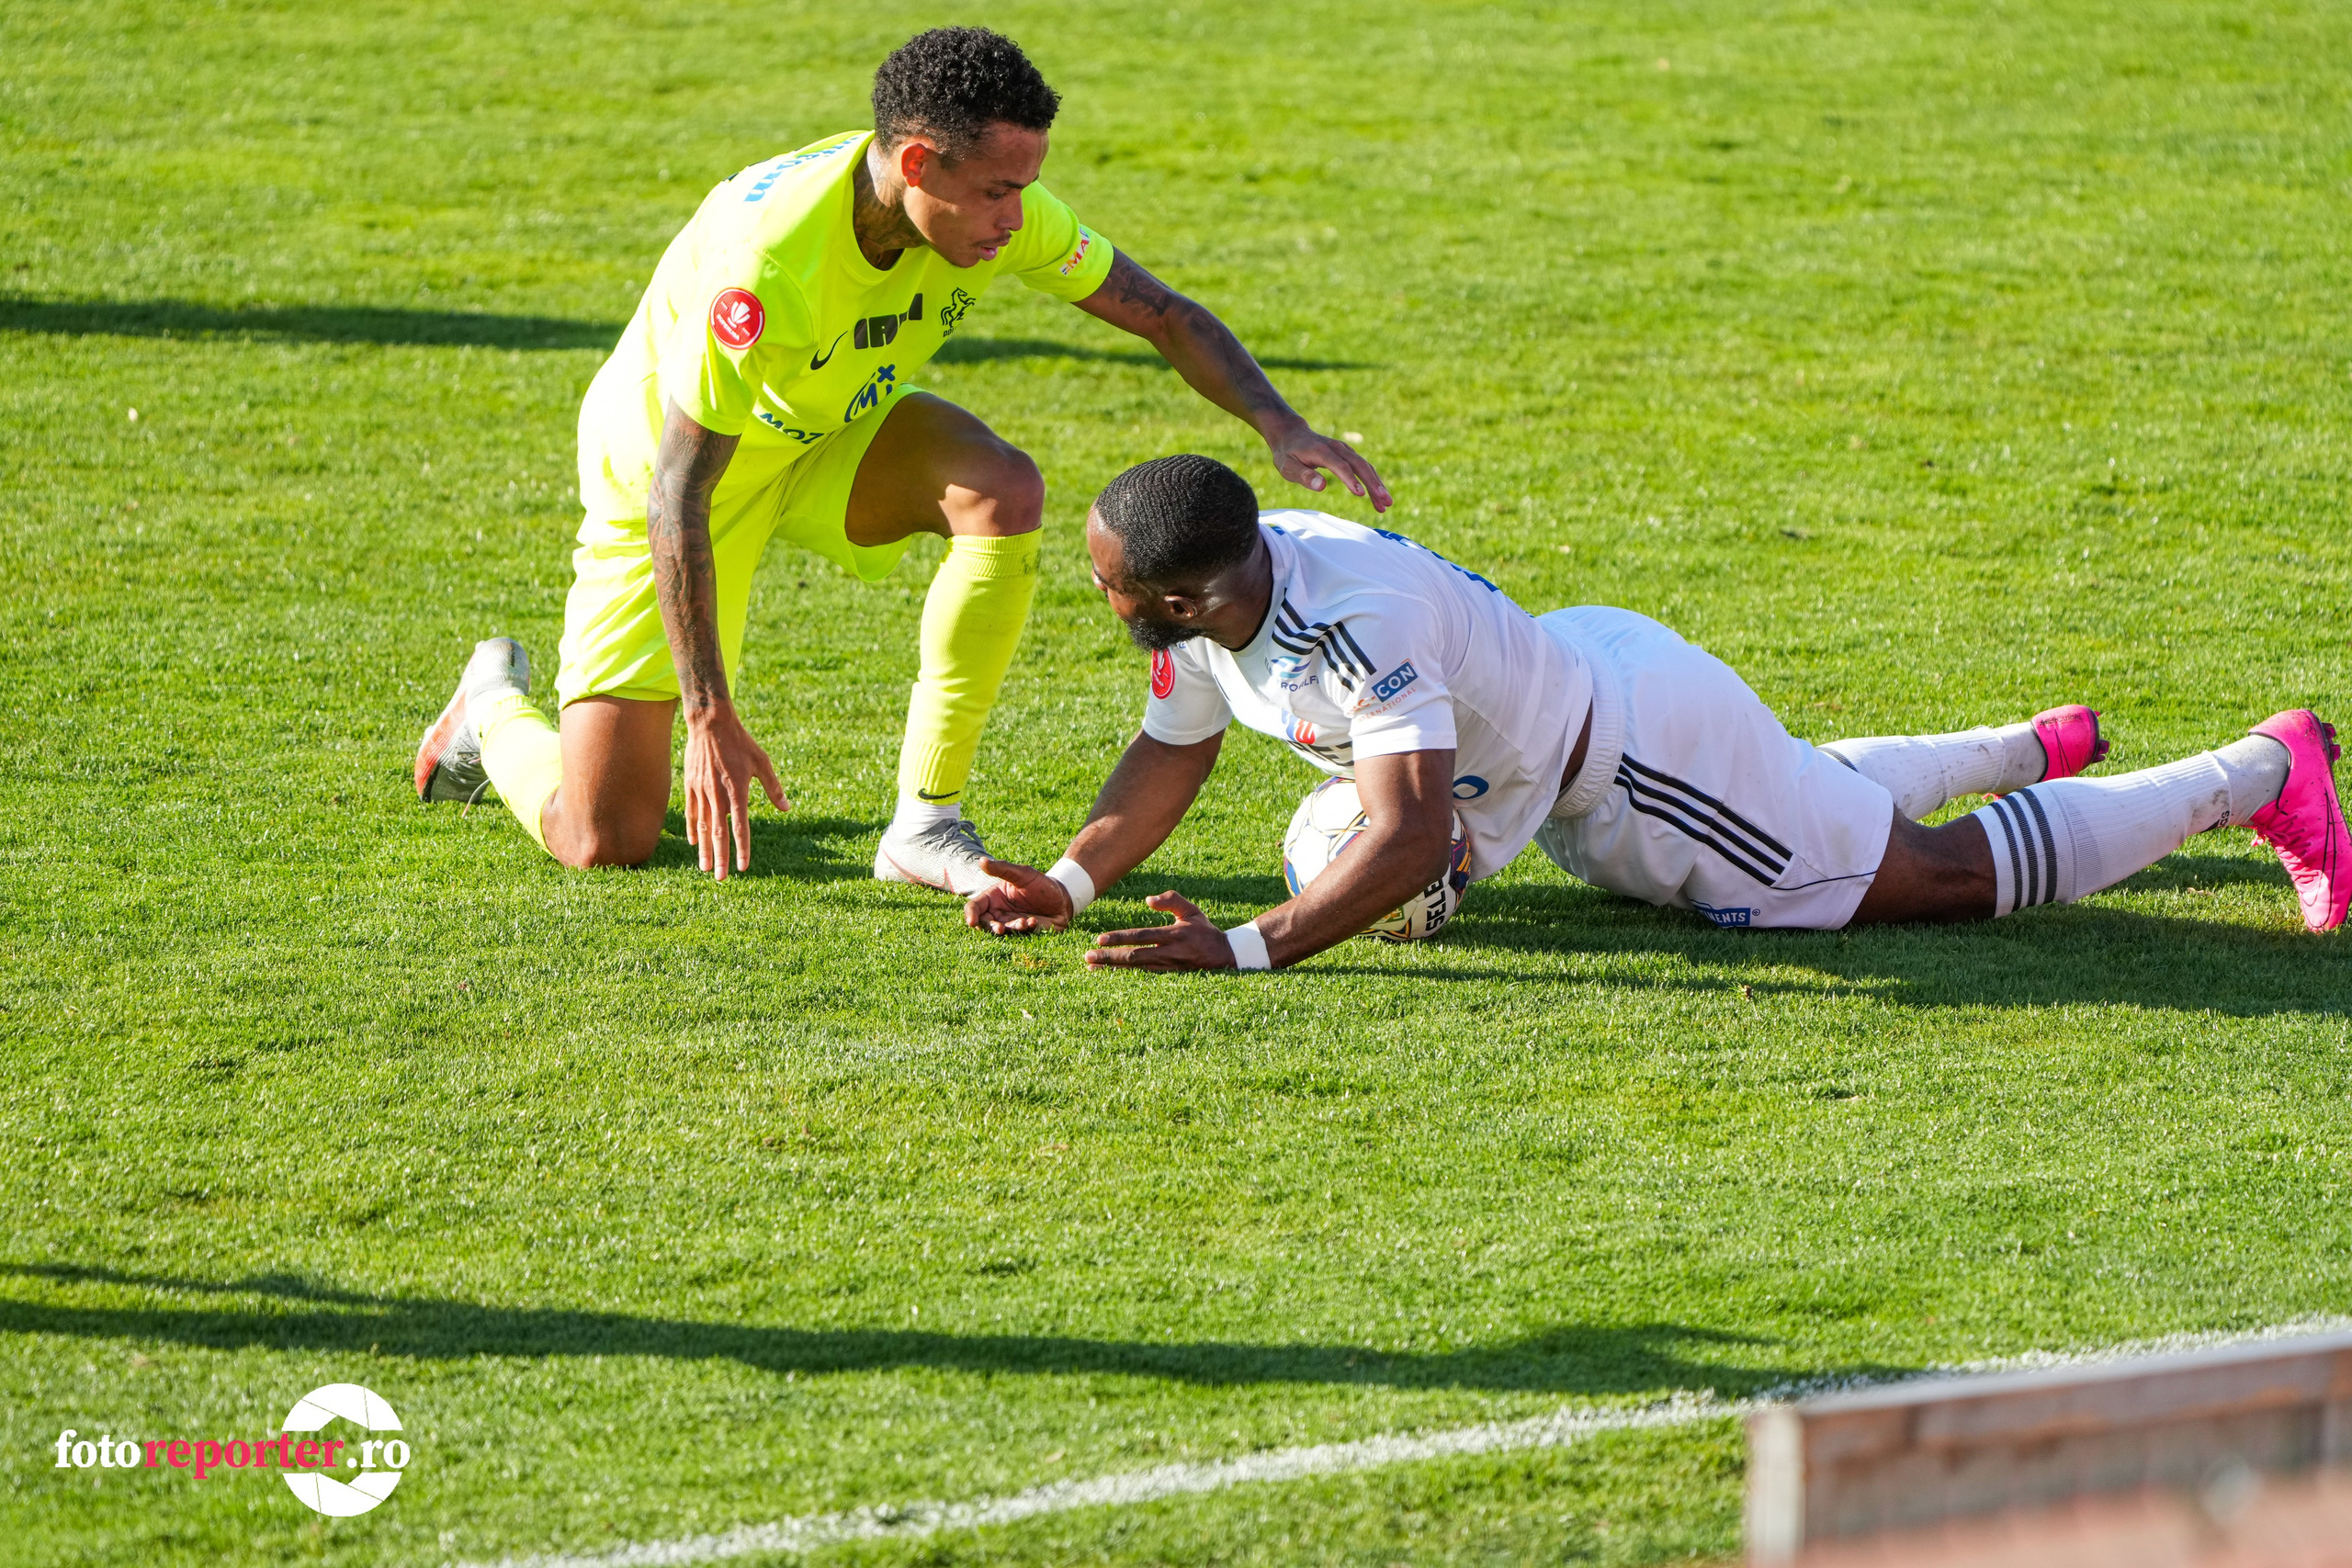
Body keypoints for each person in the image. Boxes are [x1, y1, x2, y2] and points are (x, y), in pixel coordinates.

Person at [414, 28, 1387, 888]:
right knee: (604, 839)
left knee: (1002, 489)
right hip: (674, 480)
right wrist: (709, 714)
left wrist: (1280, 424)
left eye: (1028, 187)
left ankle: (925, 823)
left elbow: (1164, 314)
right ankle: (490, 710)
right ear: (917, 163)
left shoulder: (997, 213)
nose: (1018, 218)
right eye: (1000, 191)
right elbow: (680, 492)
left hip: (830, 432)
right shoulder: (767, 267)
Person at [964, 455, 2348, 968]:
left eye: (1113, 590)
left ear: (1192, 592)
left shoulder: (1347, 621)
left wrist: (1252, 952)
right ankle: (2018, 747)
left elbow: (1401, 831)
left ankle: (2259, 771)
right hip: (1569, 723)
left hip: (1635, 760)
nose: (1104, 603)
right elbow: (1172, 745)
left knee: (1927, 880)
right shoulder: (1221, 585)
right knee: (1800, 805)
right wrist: (1080, 878)